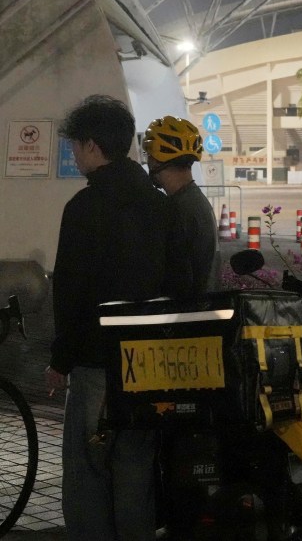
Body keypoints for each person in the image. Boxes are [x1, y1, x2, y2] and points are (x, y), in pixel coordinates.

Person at [45, 94, 167, 540]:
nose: (74, 155)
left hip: (96, 362)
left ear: (93, 146)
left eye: (76, 146)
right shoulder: (159, 205)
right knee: (135, 469)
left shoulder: (83, 208)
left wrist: (60, 359)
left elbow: (70, 291)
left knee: (87, 471)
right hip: (148, 361)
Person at [143, 115, 219, 299]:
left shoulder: (179, 209)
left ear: (156, 160)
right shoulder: (195, 202)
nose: (148, 162)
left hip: (186, 317)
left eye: (149, 156)